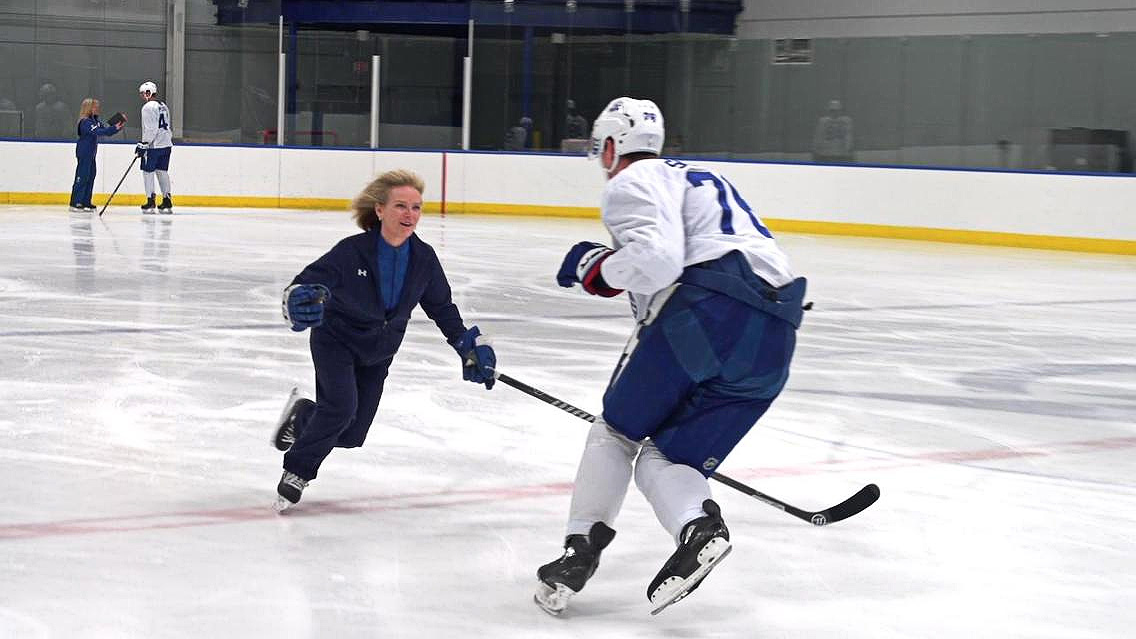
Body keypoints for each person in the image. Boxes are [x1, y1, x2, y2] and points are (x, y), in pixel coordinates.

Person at [535, 97, 806, 615]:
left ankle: (578, 553)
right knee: (668, 458)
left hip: (706, 316)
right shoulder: (704, 176)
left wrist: (598, 267)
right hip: (777, 335)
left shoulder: (631, 182)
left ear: (611, 145)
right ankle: (699, 528)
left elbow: (659, 262)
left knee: (615, 432)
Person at [270, 169, 498, 511]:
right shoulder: (352, 252)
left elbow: (442, 307)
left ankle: (303, 417)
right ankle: (297, 472)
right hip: (337, 341)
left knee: (352, 434)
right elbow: (309, 281)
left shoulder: (423, 259)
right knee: (340, 409)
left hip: (379, 352)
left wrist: (466, 345)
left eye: (416, 208)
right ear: (379, 210)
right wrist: (296, 296)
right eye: (401, 206)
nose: (409, 215)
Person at [69, 98, 124, 212]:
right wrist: (113, 128)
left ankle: (86, 201)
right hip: (84, 152)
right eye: (95, 107)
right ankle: (76, 201)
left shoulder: (95, 121)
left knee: (91, 175)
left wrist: (118, 125)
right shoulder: (85, 122)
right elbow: (98, 132)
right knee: (83, 176)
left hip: (92, 153)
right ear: (89, 108)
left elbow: (106, 131)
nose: (98, 108)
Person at [136, 81, 174, 213]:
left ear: (148, 93)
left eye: (142, 93)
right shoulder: (163, 105)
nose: (142, 96)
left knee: (148, 173)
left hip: (154, 146)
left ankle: (150, 200)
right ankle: (167, 199)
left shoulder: (147, 107)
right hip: (166, 144)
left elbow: (151, 129)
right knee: (162, 172)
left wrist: (144, 144)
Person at [812, 98, 854, 164]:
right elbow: (818, 136)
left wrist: (849, 150)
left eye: (837, 110)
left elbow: (848, 137)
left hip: (842, 155)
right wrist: (816, 150)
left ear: (840, 111)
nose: (835, 113)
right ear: (829, 111)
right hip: (826, 154)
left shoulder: (846, 121)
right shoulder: (823, 122)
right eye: (832, 110)